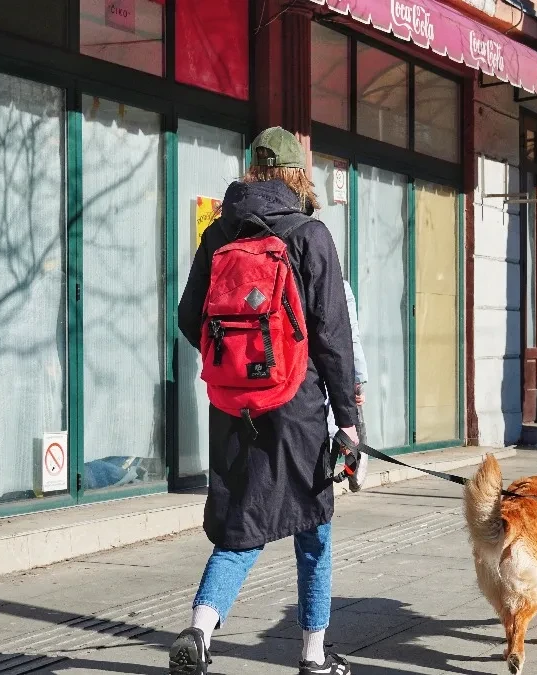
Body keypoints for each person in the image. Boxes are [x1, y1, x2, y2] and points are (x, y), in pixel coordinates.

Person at [171, 127, 358, 675]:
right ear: (298, 173)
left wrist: (235, 369)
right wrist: (347, 421)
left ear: (252, 169)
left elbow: (189, 318)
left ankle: (201, 628)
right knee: (314, 524)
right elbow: (332, 336)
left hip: (233, 405)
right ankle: (313, 655)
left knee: (243, 521)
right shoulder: (310, 234)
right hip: (296, 406)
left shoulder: (218, 235)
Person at [328, 282, 369, 491]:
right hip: (326, 380)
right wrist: (357, 381)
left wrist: (358, 381)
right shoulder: (337, 286)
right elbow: (350, 337)